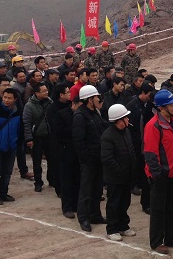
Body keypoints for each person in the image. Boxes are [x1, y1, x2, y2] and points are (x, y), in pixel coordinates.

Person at [144, 89, 173, 254]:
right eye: (171, 104)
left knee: (172, 207)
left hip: (172, 174)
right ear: (162, 107)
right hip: (160, 175)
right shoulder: (153, 126)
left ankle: (171, 237)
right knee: (158, 209)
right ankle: (156, 242)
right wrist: (157, 174)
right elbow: (150, 153)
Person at [101, 104, 138, 241]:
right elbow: (107, 159)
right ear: (118, 120)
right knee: (114, 203)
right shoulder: (108, 136)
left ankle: (123, 226)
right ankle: (112, 229)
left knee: (124, 202)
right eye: (125, 117)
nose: (128, 119)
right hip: (114, 178)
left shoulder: (126, 132)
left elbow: (131, 151)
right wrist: (119, 171)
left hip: (126, 176)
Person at [73, 85, 107, 232]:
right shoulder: (80, 116)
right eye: (96, 97)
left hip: (98, 158)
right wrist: (86, 158)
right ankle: (83, 218)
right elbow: (78, 141)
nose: (98, 99)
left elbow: (102, 128)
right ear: (89, 99)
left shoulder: (95, 113)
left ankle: (95, 215)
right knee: (86, 189)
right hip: (88, 160)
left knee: (97, 188)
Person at [46, 84, 79, 218]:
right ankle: (67, 207)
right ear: (61, 95)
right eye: (67, 92)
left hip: (75, 150)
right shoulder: (55, 111)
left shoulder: (73, 109)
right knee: (66, 180)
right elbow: (57, 131)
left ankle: (76, 204)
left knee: (76, 178)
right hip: (63, 149)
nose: (69, 94)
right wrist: (75, 129)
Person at [23, 83, 53, 193]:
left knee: (52, 160)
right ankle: (38, 182)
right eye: (43, 91)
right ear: (36, 93)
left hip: (49, 136)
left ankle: (52, 180)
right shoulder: (29, 106)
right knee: (37, 162)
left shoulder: (50, 102)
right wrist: (29, 139)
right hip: (36, 137)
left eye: (46, 90)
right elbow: (26, 123)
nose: (46, 92)